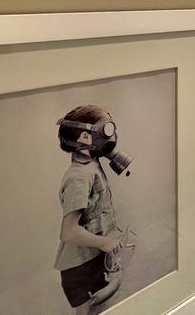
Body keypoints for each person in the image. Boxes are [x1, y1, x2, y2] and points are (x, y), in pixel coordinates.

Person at [55, 105, 129, 315]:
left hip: (94, 256)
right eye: (106, 129)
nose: (111, 135)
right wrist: (105, 243)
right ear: (86, 138)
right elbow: (68, 232)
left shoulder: (90, 163)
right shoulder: (79, 177)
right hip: (81, 266)